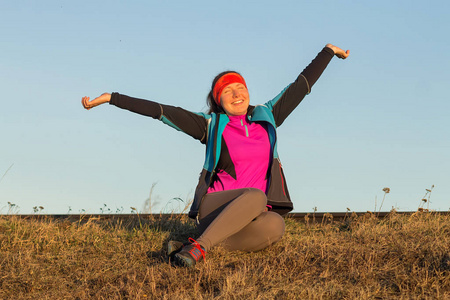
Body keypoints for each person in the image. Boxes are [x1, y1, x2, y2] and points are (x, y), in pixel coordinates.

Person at [82, 43, 349, 267]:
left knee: (275, 225)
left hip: (250, 215)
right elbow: (162, 111)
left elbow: (300, 86)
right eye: (228, 91)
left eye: (240, 87)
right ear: (218, 100)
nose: (236, 93)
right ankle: (199, 249)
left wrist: (327, 52)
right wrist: (112, 98)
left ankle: (190, 246)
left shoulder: (268, 116)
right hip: (216, 207)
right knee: (256, 195)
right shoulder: (210, 125)